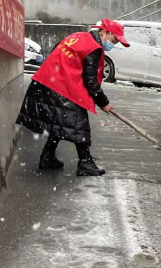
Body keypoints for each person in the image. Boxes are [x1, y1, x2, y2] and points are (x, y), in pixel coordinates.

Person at [17, 19, 129, 176]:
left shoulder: (78, 36)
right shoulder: (93, 48)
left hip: (45, 82)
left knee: (59, 122)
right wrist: (103, 103)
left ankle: (48, 156)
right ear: (104, 32)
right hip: (60, 87)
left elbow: (56, 50)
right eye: (114, 40)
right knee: (78, 124)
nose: (114, 44)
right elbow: (90, 81)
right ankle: (85, 163)